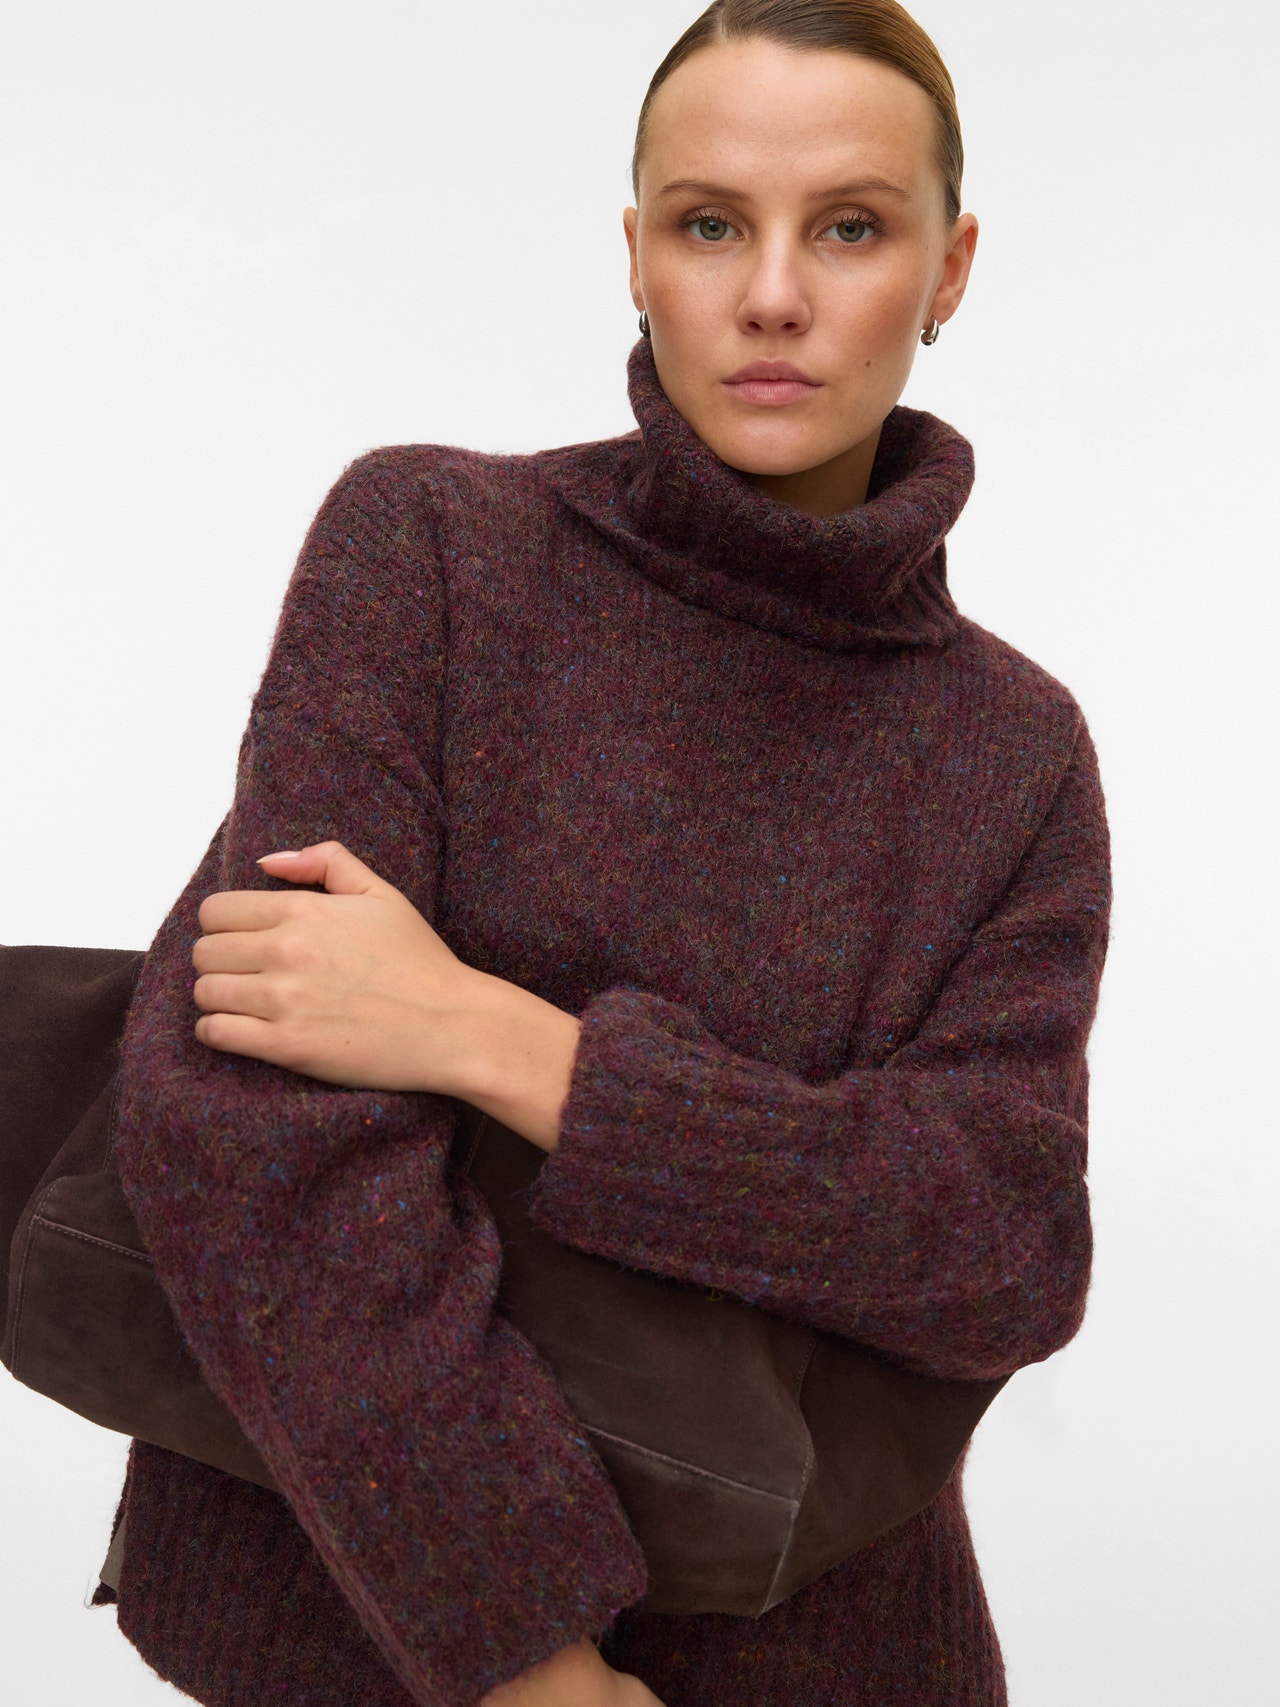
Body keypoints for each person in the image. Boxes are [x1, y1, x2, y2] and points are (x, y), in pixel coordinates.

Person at [98, 3, 1112, 1704]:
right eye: (710, 224)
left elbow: (997, 1248)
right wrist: (531, 1660)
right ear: (635, 253)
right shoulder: (432, 548)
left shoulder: (1015, 749)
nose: (771, 294)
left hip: (837, 1657)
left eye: (849, 228)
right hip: (364, 1640)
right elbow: (248, 1138)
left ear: (949, 270)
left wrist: (497, 1042)